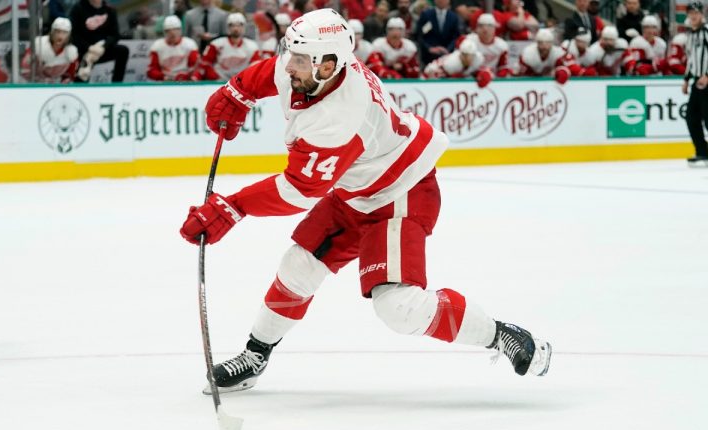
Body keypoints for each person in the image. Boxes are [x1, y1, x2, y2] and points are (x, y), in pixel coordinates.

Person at [179, 8, 552, 394]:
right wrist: (237, 92)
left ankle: (502, 335)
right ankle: (256, 355)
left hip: (400, 192)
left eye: (300, 60)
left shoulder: (340, 114)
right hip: (358, 191)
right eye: (292, 54)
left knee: (398, 308)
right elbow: (270, 72)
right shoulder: (315, 67)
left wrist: (233, 207)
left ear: (329, 64)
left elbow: (300, 189)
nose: (290, 66)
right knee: (298, 267)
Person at [69, 0, 128, 82]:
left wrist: (103, 47)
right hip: (84, 51)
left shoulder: (109, 9)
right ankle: (81, 87)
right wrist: (89, 48)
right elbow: (73, 35)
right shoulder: (78, 8)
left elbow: (115, 35)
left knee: (123, 50)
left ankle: (116, 85)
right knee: (82, 74)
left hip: (102, 49)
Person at [681, 2, 708, 167]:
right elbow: (691, 60)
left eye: (696, 13)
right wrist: (686, 80)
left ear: (702, 14)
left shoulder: (706, 32)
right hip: (696, 82)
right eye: (690, 13)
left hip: (707, 82)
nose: (693, 16)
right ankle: (702, 151)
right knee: (691, 117)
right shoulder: (690, 34)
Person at [199, 13, 259, 81]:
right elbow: (205, 64)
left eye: (239, 25)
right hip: (219, 83)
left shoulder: (252, 46)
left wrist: (246, 80)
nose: (236, 28)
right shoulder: (216, 44)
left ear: (244, 27)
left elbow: (256, 68)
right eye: (232, 25)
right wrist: (215, 78)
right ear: (228, 27)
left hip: (242, 84)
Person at [20, 18, 79, 83]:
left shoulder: (71, 53)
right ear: (52, 32)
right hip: (33, 85)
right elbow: (25, 69)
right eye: (57, 32)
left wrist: (64, 82)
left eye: (64, 33)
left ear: (69, 35)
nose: (60, 36)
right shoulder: (38, 45)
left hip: (57, 88)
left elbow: (70, 75)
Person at [147, 16, 201, 81]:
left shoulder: (190, 44)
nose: (172, 33)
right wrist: (163, 77)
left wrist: (192, 77)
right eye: (168, 31)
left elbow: (196, 67)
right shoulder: (157, 46)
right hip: (165, 82)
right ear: (164, 32)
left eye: (176, 29)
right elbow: (152, 69)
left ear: (180, 30)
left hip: (185, 81)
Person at [457, 13, 512, 77]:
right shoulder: (468, 40)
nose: (485, 29)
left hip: (491, 78)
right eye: (481, 26)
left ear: (494, 28)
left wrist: (500, 76)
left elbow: (503, 67)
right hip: (470, 76)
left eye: (489, 26)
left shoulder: (502, 45)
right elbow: (459, 61)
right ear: (476, 28)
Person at [424, 38, 494, 87]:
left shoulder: (478, 59)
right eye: (465, 55)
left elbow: (486, 71)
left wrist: (484, 74)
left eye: (471, 55)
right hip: (432, 71)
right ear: (461, 54)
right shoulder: (452, 63)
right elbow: (435, 77)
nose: (468, 59)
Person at [415, 0, 460, 66]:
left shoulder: (454, 17)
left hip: (448, 58)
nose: (441, 1)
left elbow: (456, 37)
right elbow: (420, 35)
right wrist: (429, 48)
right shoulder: (426, 15)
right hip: (429, 57)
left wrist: (448, 49)